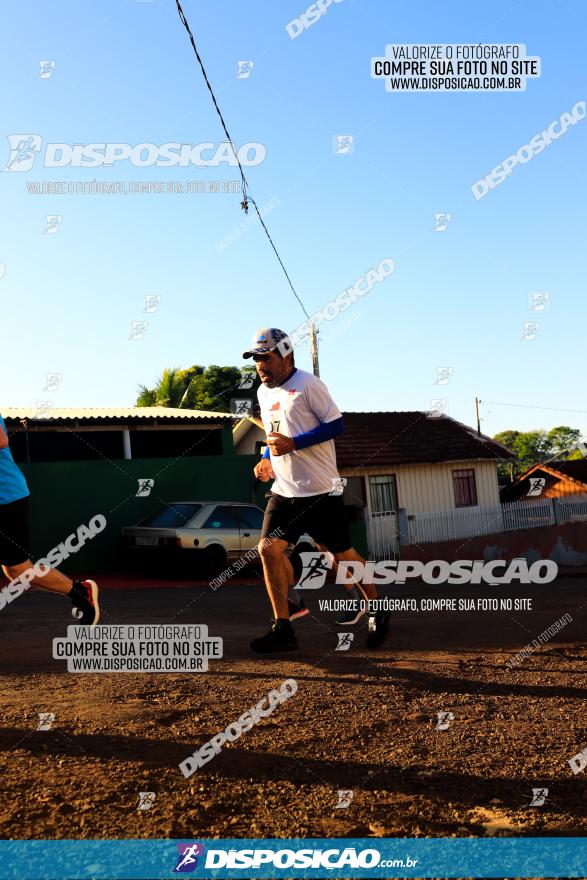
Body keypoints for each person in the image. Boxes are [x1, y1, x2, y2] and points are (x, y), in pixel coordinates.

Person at [242, 328, 389, 653]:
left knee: (343, 556)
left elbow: (336, 424)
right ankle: (283, 627)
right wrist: (266, 459)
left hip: (321, 492)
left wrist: (296, 444)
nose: (260, 366)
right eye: (256, 360)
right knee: (268, 550)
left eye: (265, 358)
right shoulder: (264, 394)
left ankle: (378, 607)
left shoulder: (308, 385)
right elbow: (272, 433)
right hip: (284, 490)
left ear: (286, 355)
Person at [0, 413, 99, 625]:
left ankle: (81, 592)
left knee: (19, 570)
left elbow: (1, 440)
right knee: (14, 572)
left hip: (6, 498)